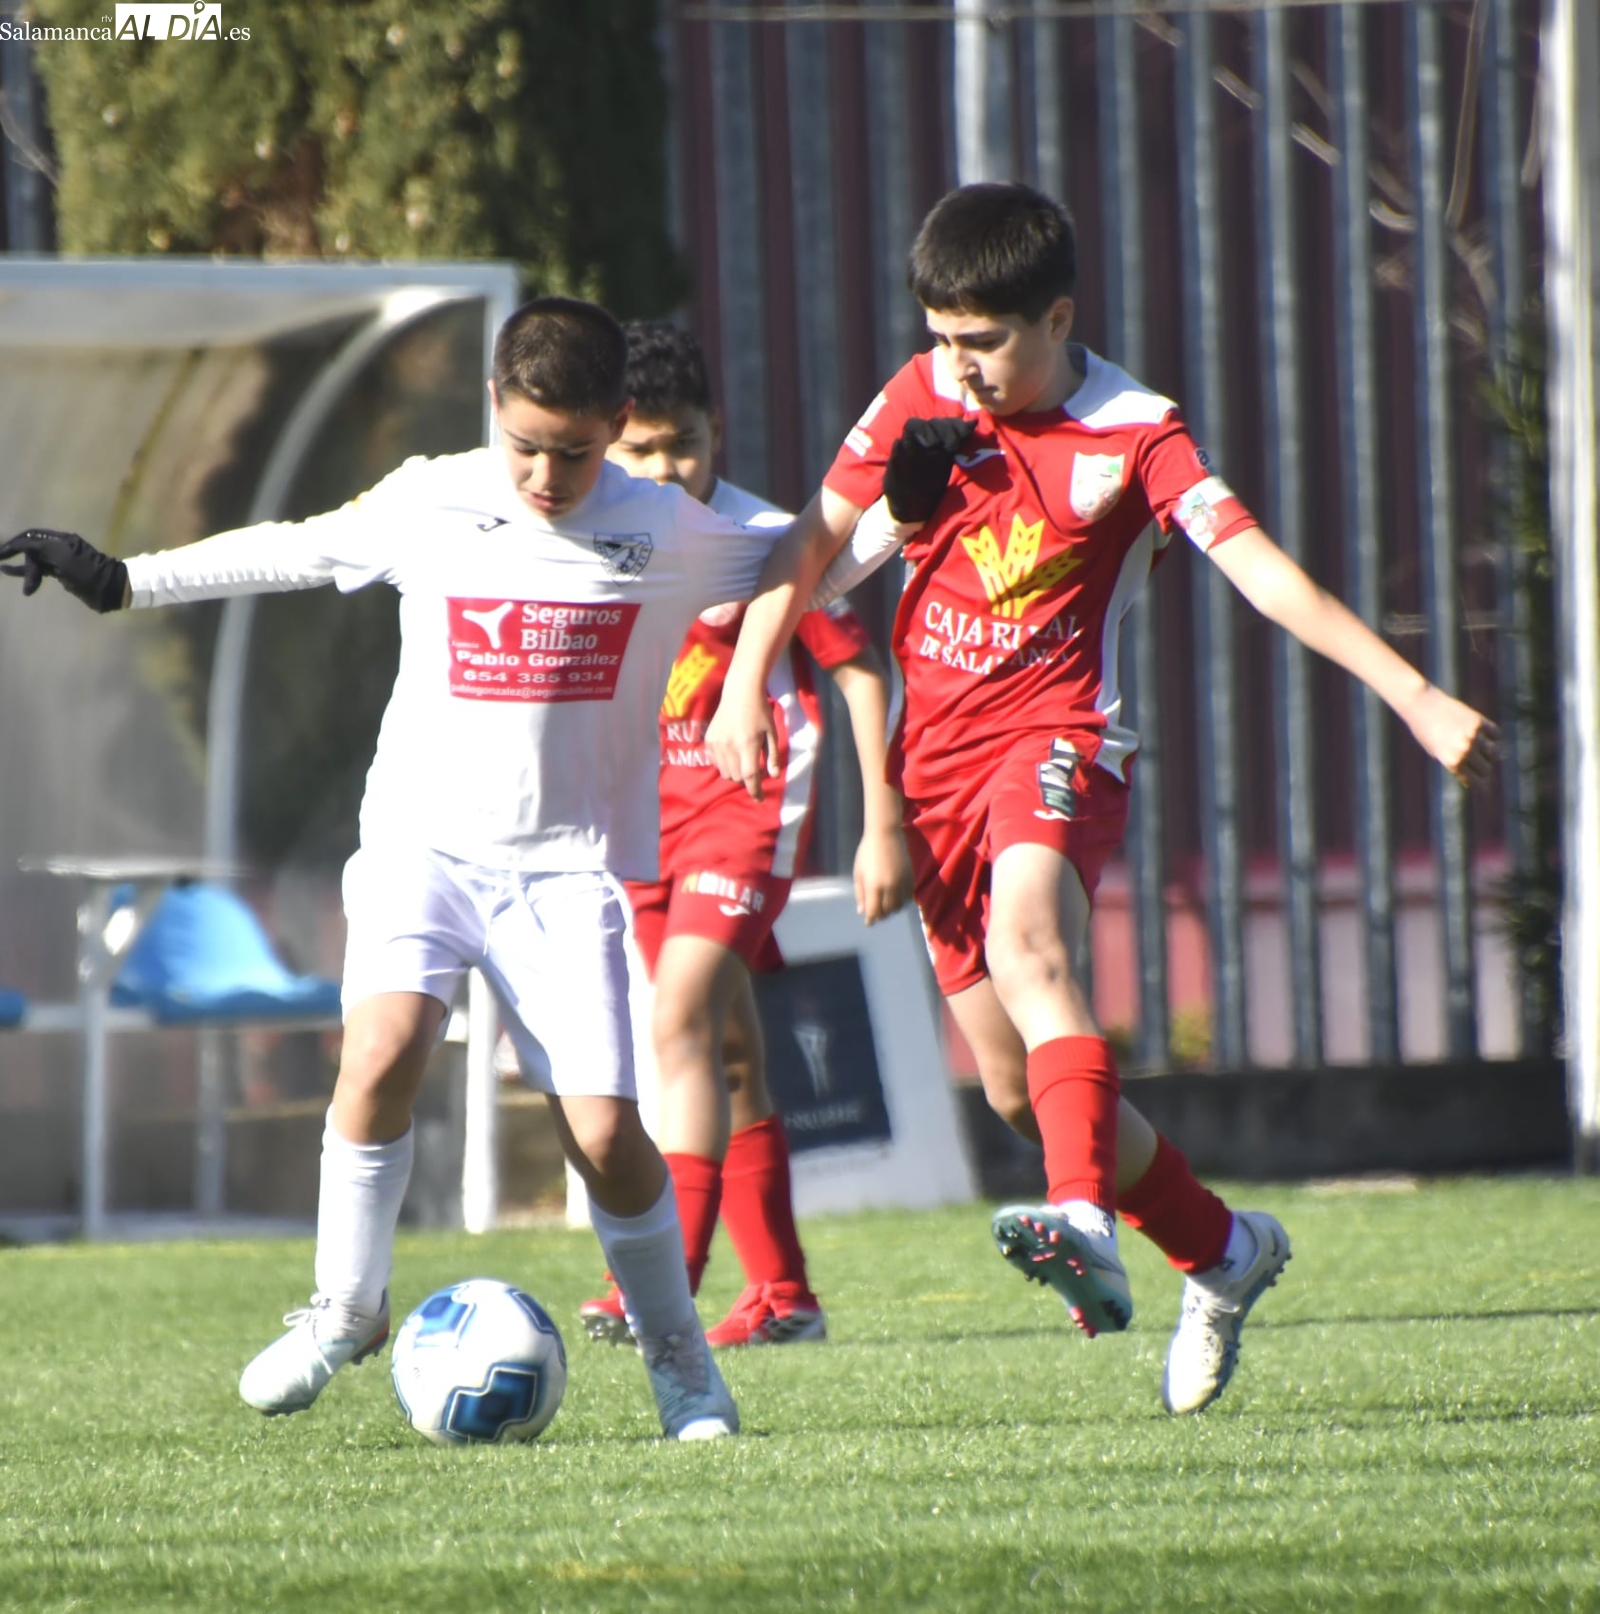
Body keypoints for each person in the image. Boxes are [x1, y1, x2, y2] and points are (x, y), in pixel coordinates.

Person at [705, 183, 1499, 1414]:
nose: (959, 367)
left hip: (1060, 738)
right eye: (940, 338)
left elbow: (1262, 573)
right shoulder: (920, 392)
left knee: (1033, 946)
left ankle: (1080, 1219)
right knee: (1017, 1090)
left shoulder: (1137, 432)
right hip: (933, 769)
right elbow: (808, 544)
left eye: (984, 342)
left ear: (1058, 317)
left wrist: (1416, 696)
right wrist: (744, 681)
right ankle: (1223, 1252)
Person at [0, 295, 847, 1441]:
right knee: (381, 1052)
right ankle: (346, 1312)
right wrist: (121, 579)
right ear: (492, 405)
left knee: (605, 1137)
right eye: (525, 445)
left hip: (565, 875)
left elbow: (817, 556)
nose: (546, 475)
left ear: (617, 422)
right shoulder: (430, 497)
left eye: (574, 451)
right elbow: (293, 548)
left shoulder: (668, 526)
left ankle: (680, 1363)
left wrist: (903, 501)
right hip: (422, 849)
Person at [577, 321, 911, 1349]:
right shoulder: (594, 532)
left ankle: (656, 1287)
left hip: (743, 809)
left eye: (682, 443)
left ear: (714, 432)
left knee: (677, 1023)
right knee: (722, 1053)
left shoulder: (764, 538)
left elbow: (858, 673)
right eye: (639, 449)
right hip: (640, 821)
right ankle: (784, 1295)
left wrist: (883, 824)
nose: (663, 468)